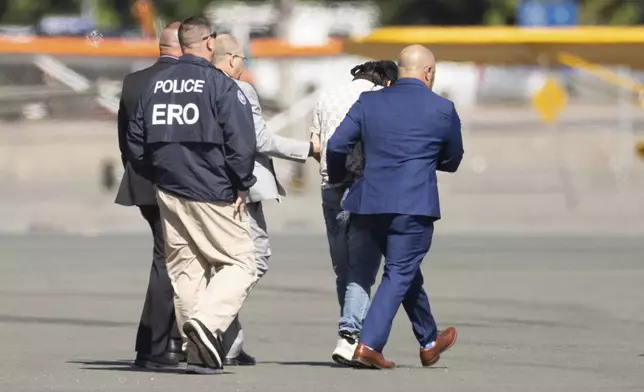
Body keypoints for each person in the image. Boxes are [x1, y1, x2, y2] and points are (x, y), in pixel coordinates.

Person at [126, 16, 258, 374]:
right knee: (245, 261)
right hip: (212, 188)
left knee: (187, 267)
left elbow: (135, 142)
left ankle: (198, 349)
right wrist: (241, 182)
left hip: (169, 188)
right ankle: (207, 323)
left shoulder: (155, 84)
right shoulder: (220, 84)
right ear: (209, 42)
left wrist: (158, 175)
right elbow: (242, 142)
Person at [326, 45, 464, 369]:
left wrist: (337, 176)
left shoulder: (368, 102)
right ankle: (369, 345)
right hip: (413, 205)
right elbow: (453, 159)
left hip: (368, 203)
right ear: (428, 72)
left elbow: (336, 144)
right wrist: (427, 161)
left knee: (403, 270)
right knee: (400, 270)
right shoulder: (442, 108)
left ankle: (429, 340)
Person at [211, 34, 319, 366]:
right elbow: (258, 138)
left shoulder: (201, 88)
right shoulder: (240, 90)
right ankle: (211, 324)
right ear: (231, 59)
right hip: (240, 190)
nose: (245, 66)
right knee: (254, 259)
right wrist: (308, 150)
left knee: (220, 261)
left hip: (203, 186)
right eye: (244, 59)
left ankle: (230, 339)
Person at [309, 60, 397, 365]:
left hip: (328, 188)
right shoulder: (378, 99)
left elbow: (316, 145)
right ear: (386, 79)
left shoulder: (327, 96)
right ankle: (349, 335)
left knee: (343, 268)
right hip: (363, 190)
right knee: (362, 268)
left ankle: (351, 334)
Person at [114, 21, 184, 369]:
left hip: (141, 183)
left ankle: (161, 341)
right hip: (180, 183)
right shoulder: (188, 83)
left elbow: (124, 139)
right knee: (170, 260)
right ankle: (158, 345)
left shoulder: (134, 82)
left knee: (166, 257)